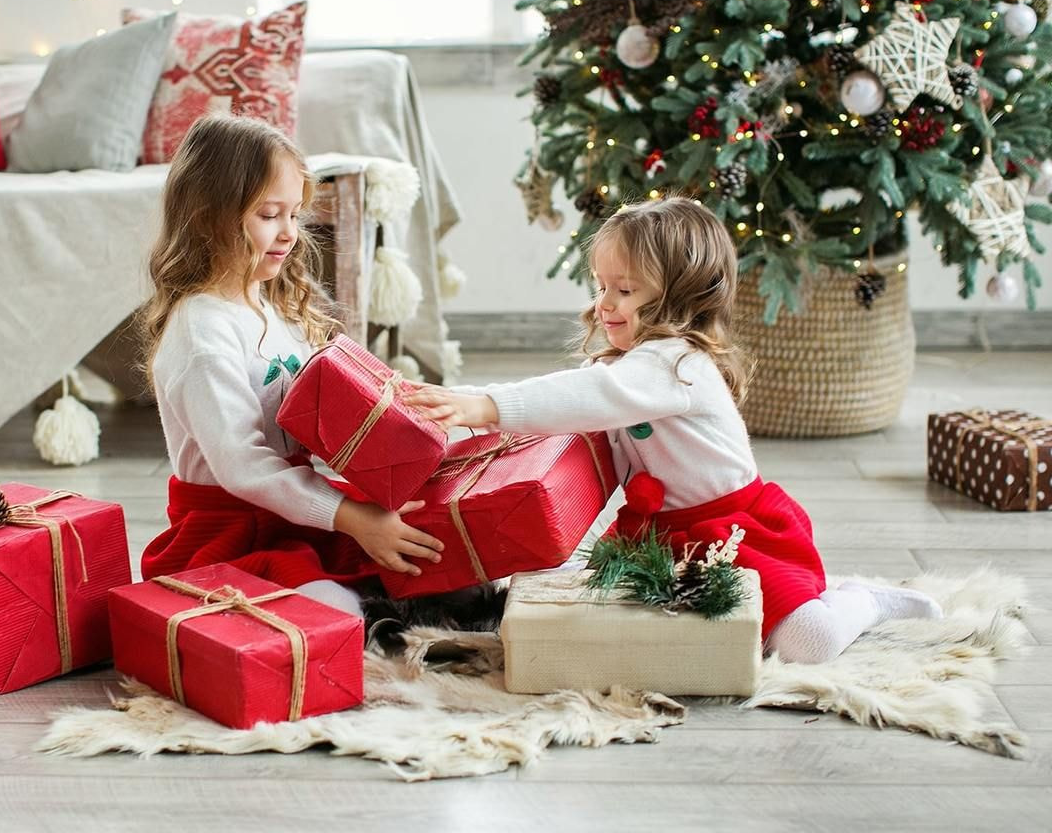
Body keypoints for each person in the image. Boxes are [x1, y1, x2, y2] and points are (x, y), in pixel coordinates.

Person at [406, 197, 941, 662]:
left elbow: (582, 398)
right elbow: (569, 408)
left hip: (732, 532)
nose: (604, 303)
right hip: (661, 535)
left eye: (626, 289)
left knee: (807, 642)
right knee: (590, 619)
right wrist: (467, 421)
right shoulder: (625, 368)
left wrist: (485, 404)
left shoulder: (674, 364)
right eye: (601, 286)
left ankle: (862, 600)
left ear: (679, 296)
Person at [138, 114, 443, 617]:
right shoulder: (202, 331)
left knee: (425, 559)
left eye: (295, 215)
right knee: (330, 611)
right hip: (233, 528)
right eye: (269, 215)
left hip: (296, 509)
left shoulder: (276, 304)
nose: (289, 234)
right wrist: (352, 518)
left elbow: (343, 400)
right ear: (210, 217)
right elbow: (243, 467)